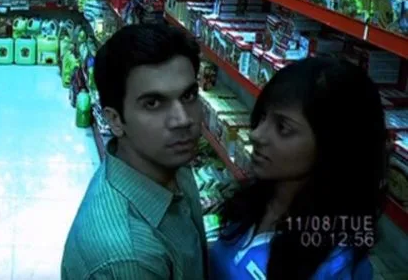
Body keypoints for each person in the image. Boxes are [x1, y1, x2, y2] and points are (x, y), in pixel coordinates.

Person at [210, 57, 387, 280]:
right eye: (263, 116)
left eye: (282, 127)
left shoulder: (336, 266)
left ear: (333, 146)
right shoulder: (252, 202)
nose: (256, 134)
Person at [61, 23, 207, 280]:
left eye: (188, 96)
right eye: (153, 103)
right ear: (115, 120)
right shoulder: (129, 259)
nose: (183, 120)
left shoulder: (172, 163)